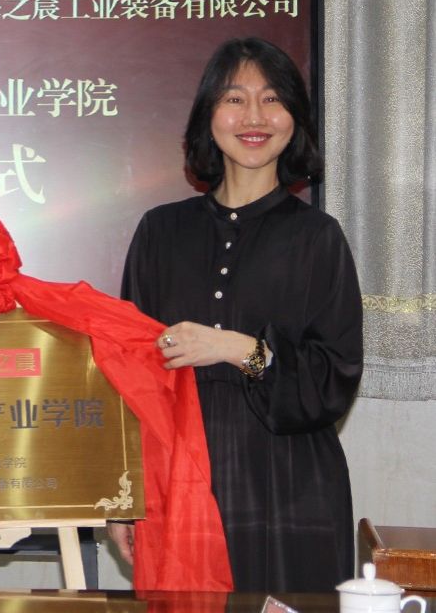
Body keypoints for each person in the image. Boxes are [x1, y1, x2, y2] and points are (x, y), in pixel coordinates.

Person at [111, 37, 363, 592]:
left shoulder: (319, 238)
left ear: (294, 120)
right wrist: (124, 496)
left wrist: (238, 348)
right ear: (209, 116)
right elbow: (130, 376)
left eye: (272, 99)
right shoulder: (160, 231)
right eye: (234, 99)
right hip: (183, 478)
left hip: (290, 481)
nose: (254, 117)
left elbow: (334, 380)